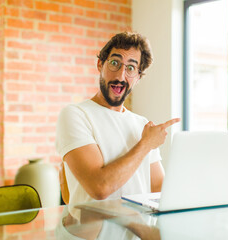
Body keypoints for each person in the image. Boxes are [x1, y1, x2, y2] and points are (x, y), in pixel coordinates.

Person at [55, 32, 180, 205]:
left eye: (130, 68)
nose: (121, 76)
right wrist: (145, 144)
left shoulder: (142, 124)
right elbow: (99, 187)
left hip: (138, 230)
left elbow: (158, 186)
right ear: (100, 64)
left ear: (138, 77)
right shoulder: (75, 115)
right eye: (115, 63)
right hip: (93, 230)